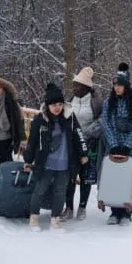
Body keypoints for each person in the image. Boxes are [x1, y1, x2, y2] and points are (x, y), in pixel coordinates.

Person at [23, 83, 89, 231]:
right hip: (45, 164)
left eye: (60, 104)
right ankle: (34, 218)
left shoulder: (69, 118)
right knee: (39, 190)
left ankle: (55, 219)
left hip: (65, 164)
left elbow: (79, 136)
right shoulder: (39, 120)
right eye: (53, 105)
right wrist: (28, 160)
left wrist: (83, 154)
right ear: (47, 105)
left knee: (60, 192)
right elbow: (32, 142)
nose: (57, 107)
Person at [99, 66, 132, 225]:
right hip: (114, 145)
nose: (117, 88)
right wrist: (113, 144)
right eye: (114, 85)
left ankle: (126, 212)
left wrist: (127, 145)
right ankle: (114, 211)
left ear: (126, 85)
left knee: (127, 180)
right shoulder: (109, 102)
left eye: (119, 85)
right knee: (114, 178)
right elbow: (106, 123)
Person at [64, 67, 103, 220]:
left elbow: (101, 120)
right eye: (74, 85)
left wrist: (86, 134)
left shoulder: (96, 102)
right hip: (71, 145)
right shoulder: (70, 100)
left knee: (85, 177)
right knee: (70, 176)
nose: (74, 88)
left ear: (86, 88)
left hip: (89, 144)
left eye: (78, 86)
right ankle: (68, 207)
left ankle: (82, 207)